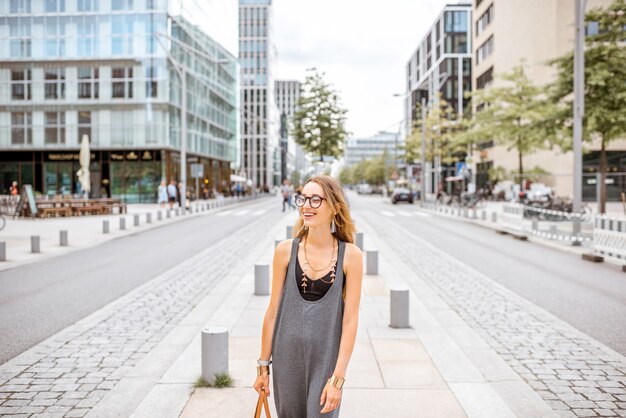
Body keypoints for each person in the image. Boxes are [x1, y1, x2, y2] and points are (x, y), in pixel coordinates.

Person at [253, 175, 363, 417]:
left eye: (315, 200)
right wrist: (263, 367)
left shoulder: (351, 256)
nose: (306, 206)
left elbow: (350, 321)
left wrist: (338, 378)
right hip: (286, 358)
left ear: (334, 207)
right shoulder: (285, 251)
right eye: (303, 198)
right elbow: (272, 313)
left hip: (326, 361)